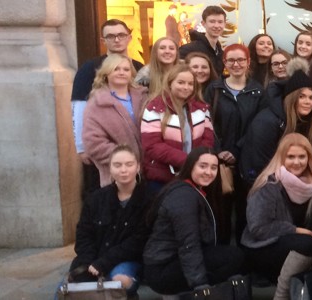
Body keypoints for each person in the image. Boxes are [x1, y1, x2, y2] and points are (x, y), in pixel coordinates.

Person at [241, 133, 312, 299]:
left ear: (309, 158)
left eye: (302, 156)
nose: (297, 162)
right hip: (263, 247)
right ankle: (281, 296)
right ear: (281, 158)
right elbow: (258, 228)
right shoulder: (269, 184)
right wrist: (295, 230)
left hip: (303, 249)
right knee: (306, 242)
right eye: (290, 157)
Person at [143, 147, 244, 295]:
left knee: (230, 257)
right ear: (190, 166)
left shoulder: (194, 190)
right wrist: (200, 284)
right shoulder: (184, 196)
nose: (208, 172)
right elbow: (188, 243)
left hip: (172, 260)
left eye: (213, 168)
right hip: (162, 269)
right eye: (202, 166)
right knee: (234, 258)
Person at [72, 19, 144, 202]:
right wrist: (81, 146)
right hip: (104, 159)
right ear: (103, 40)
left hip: (141, 162)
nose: (117, 40)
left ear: (129, 37)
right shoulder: (89, 68)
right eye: (111, 36)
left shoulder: (139, 67)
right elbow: (79, 107)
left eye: (121, 35)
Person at [202, 43, 267, 244]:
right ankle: (220, 252)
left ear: (248, 62)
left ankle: (242, 252)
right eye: (231, 60)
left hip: (246, 159)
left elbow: (258, 126)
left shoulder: (258, 91)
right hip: (217, 159)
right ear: (225, 63)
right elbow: (206, 123)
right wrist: (219, 150)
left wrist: (237, 149)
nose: (236, 64)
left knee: (244, 208)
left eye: (241, 60)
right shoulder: (214, 90)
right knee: (218, 209)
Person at [70, 145, 150, 296]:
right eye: (117, 165)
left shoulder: (148, 200)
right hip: (93, 258)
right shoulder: (96, 199)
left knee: (117, 283)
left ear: (138, 167)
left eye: (129, 164)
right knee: (71, 290)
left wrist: (104, 262)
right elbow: (84, 235)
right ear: (110, 168)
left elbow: (138, 242)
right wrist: (89, 262)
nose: (123, 170)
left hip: (127, 259)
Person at [240, 70, 312, 185]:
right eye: (302, 96)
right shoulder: (266, 122)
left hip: (293, 181)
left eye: (311, 98)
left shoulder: (310, 122)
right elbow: (258, 164)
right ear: (291, 98)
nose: (308, 102)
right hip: (264, 183)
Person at [140, 63, 215, 192]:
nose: (186, 87)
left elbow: (208, 139)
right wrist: (189, 161)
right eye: (181, 82)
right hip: (162, 177)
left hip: (194, 176)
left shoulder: (201, 108)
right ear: (170, 83)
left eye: (190, 84)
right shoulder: (154, 108)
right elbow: (152, 145)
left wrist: (197, 162)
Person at [82, 54, 148, 187]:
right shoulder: (96, 103)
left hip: (148, 173)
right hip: (116, 177)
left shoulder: (144, 96)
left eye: (126, 69)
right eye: (116, 69)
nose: (121, 72)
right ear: (106, 73)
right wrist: (125, 159)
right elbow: (93, 142)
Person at [179, 5, 226, 73]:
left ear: (224, 24)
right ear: (204, 24)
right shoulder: (189, 50)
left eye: (220, 22)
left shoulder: (221, 53)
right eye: (212, 21)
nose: (216, 26)